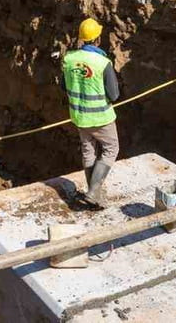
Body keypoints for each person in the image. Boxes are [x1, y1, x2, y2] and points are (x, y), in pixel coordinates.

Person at [61, 18, 120, 208]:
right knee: (111, 149)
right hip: (101, 117)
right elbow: (114, 94)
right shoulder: (103, 62)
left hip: (80, 116)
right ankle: (94, 192)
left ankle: (93, 193)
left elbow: (63, 85)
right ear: (97, 39)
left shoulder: (69, 59)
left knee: (88, 151)